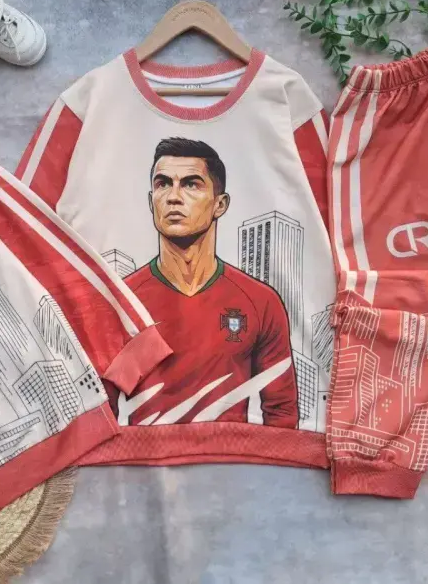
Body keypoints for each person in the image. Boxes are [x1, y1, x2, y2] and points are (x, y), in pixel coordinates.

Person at [123, 137, 299, 428]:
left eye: (191, 184)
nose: (173, 197)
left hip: (231, 457)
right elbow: (98, 413)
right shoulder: (123, 301)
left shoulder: (260, 301)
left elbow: (281, 412)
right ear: (150, 201)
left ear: (220, 204)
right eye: (163, 184)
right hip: (147, 457)